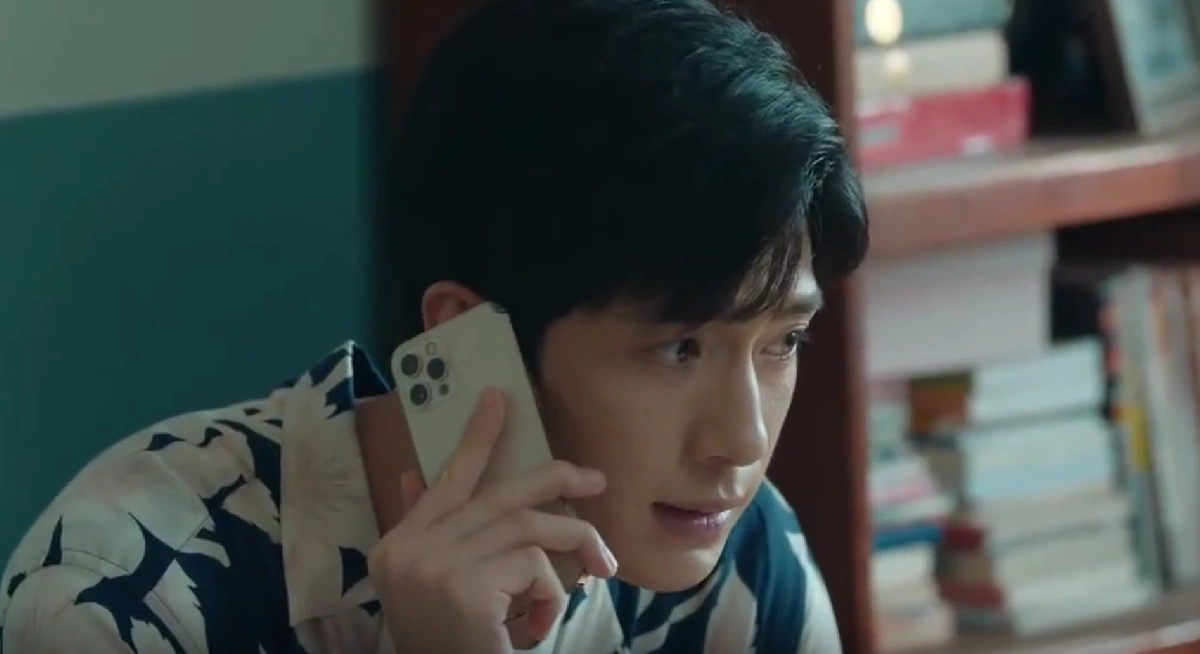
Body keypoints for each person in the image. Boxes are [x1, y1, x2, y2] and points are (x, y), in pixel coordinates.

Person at [0, 0, 868, 651]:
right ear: (468, 336)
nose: (742, 443)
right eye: (679, 347)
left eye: (781, 343)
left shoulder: (739, 558)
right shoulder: (123, 583)